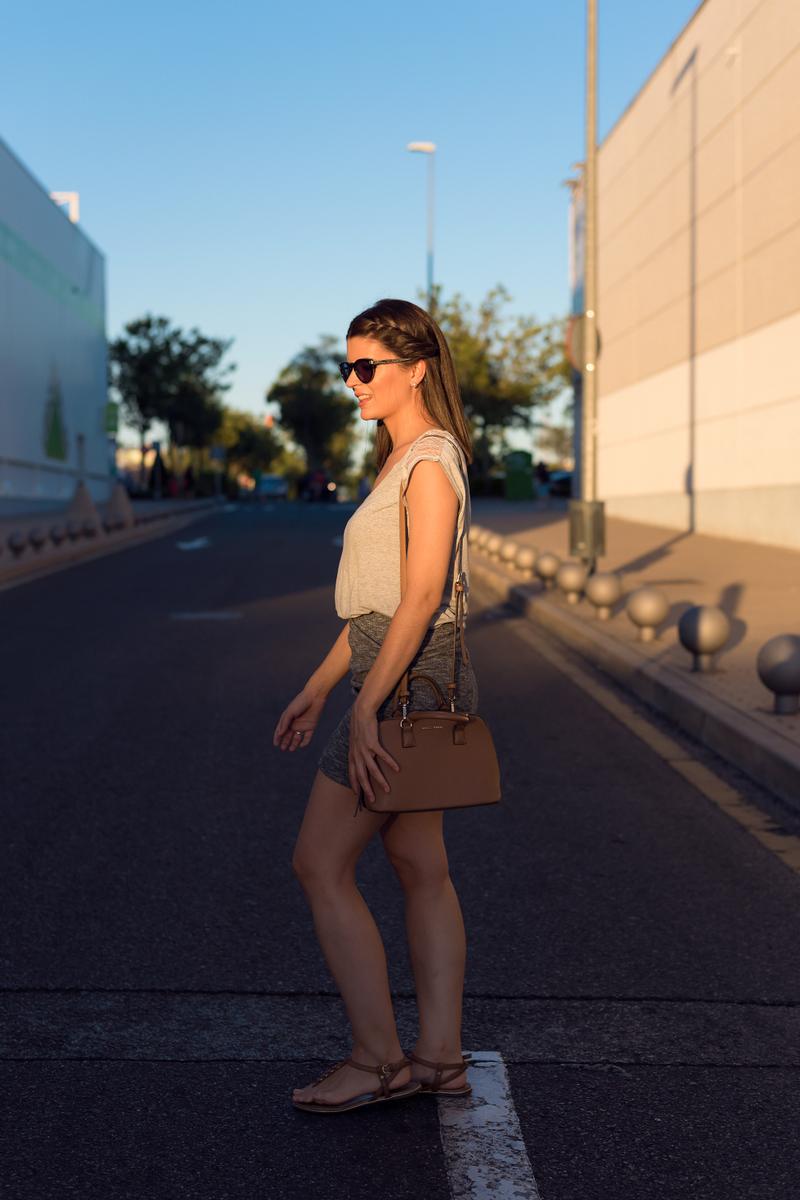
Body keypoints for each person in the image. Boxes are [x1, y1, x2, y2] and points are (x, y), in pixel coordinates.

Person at [273, 298, 478, 1115]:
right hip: (397, 670)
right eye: (347, 366)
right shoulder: (397, 462)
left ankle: (377, 1059)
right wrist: (320, 688)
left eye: (368, 367)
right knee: (419, 864)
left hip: (407, 680)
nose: (352, 381)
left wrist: (365, 709)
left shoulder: (430, 461)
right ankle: (439, 1058)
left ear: (416, 368)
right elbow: (374, 605)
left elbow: (423, 595)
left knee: (319, 863)